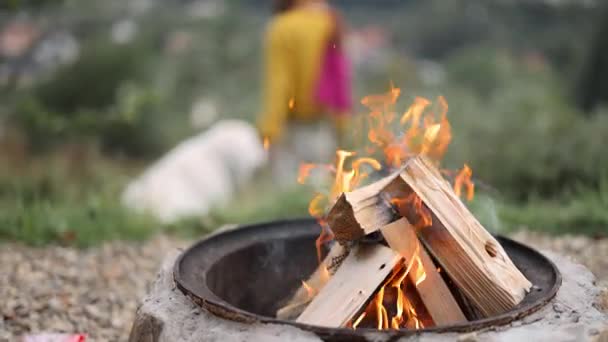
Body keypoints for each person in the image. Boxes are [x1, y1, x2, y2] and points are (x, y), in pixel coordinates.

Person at [257, 0, 352, 186]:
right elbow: (340, 79)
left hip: (292, 130)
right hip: (324, 126)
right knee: (322, 196)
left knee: (290, 197)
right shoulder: (330, 21)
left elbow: (279, 84)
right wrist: (342, 125)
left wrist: (270, 131)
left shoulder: (282, 27)